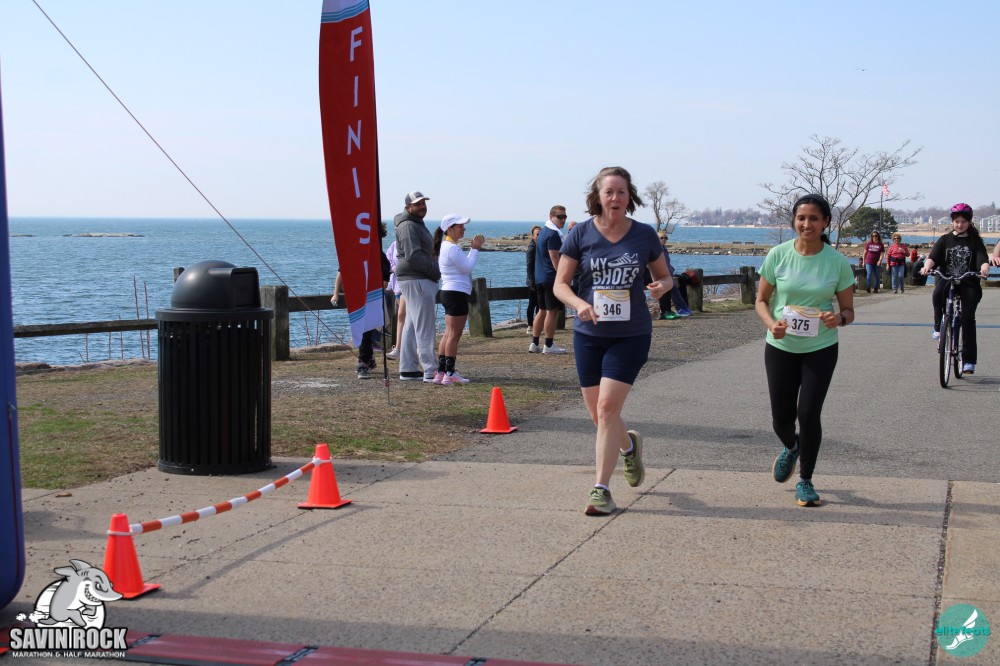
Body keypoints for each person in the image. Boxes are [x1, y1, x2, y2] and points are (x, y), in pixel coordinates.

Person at [553, 166, 672, 516]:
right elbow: (560, 284)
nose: (616, 198)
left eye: (621, 192)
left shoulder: (644, 235)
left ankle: (601, 490)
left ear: (629, 196)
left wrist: (661, 286)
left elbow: (666, 277)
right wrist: (579, 304)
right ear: (598, 197)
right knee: (599, 415)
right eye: (609, 192)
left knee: (607, 410)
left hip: (631, 334)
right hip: (589, 334)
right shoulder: (581, 233)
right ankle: (628, 447)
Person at [755, 193, 855, 508]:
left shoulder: (837, 262)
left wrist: (838, 318)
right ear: (794, 222)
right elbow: (761, 300)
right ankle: (792, 446)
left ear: (826, 222)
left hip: (820, 347)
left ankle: (806, 481)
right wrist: (771, 324)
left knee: (809, 413)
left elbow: (849, 311)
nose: (806, 224)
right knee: (781, 419)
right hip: (781, 346)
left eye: (814, 218)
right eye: (801, 218)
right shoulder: (778, 255)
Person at [920, 203, 990, 374]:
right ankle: (938, 327)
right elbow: (933, 257)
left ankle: (969, 361)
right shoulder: (945, 239)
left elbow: (982, 258)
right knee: (937, 294)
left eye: (964, 222)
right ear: (952, 222)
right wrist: (926, 267)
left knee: (967, 318)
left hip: (968, 281)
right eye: (957, 221)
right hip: (947, 278)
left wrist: (984, 268)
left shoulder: (975, 241)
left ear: (969, 222)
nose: (960, 225)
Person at [393, 191, 440, 383]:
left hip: (415, 278)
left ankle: (408, 368)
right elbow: (414, 256)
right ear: (408, 207)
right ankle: (431, 370)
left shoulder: (415, 224)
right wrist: (435, 271)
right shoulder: (408, 226)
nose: (422, 206)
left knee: (412, 325)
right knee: (425, 326)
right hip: (417, 279)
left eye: (423, 203)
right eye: (418, 204)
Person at [432, 214, 485, 385]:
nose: (464, 228)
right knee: (454, 335)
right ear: (450, 228)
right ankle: (449, 373)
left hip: (449, 292)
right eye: (460, 226)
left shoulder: (446, 246)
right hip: (456, 293)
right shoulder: (452, 248)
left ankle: (441, 372)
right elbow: (468, 267)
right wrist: (475, 249)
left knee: (448, 333)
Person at [531, 206, 569, 354]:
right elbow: (555, 258)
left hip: (540, 277)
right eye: (560, 217)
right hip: (550, 278)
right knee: (552, 311)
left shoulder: (543, 233)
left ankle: (534, 343)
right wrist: (562, 277)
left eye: (565, 217)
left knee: (541, 310)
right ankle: (549, 344)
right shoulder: (553, 234)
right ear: (551, 216)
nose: (563, 220)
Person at [356, 222, 391, 379]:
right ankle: (368, 358)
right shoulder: (358, 253)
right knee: (365, 331)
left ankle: (363, 362)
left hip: (372, 296)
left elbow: (384, 281)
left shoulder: (380, 257)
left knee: (366, 330)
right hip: (359, 296)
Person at [655, 231, 693, 319]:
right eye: (661, 238)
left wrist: (671, 270)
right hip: (661, 274)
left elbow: (667, 263)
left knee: (676, 286)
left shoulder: (664, 249)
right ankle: (680, 309)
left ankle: (683, 308)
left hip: (668, 273)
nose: (664, 239)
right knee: (672, 288)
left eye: (666, 238)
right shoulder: (657, 249)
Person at [385, 239, 406, 360]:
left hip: (409, 284)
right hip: (397, 286)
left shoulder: (412, 242)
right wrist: (393, 268)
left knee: (402, 316)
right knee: (403, 317)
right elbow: (388, 261)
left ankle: (399, 348)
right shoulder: (394, 245)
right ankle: (401, 347)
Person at [525, 225, 541, 333]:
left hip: (541, 279)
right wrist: (531, 283)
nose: (539, 236)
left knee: (540, 305)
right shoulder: (531, 248)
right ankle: (530, 326)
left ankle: (537, 325)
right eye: (537, 234)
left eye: (541, 234)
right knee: (532, 304)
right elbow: (529, 267)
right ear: (533, 236)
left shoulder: (541, 246)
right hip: (533, 281)